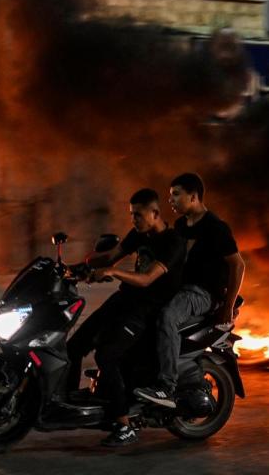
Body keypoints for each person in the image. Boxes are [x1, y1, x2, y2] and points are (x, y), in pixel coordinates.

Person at [65, 188, 185, 447]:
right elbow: (110, 256)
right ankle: (69, 404)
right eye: (131, 215)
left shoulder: (173, 242)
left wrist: (113, 272)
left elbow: (146, 279)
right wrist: (73, 267)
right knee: (74, 346)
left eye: (138, 215)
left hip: (146, 310)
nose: (134, 220)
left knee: (106, 355)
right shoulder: (139, 234)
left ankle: (124, 426)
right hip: (124, 300)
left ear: (155, 213)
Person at [134, 172, 246, 409]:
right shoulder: (180, 225)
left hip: (203, 293)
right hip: (180, 288)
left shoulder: (216, 228)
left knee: (168, 317)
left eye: (176, 195)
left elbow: (237, 264)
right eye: (170, 195)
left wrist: (227, 305)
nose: (171, 201)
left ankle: (166, 386)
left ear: (193, 197)